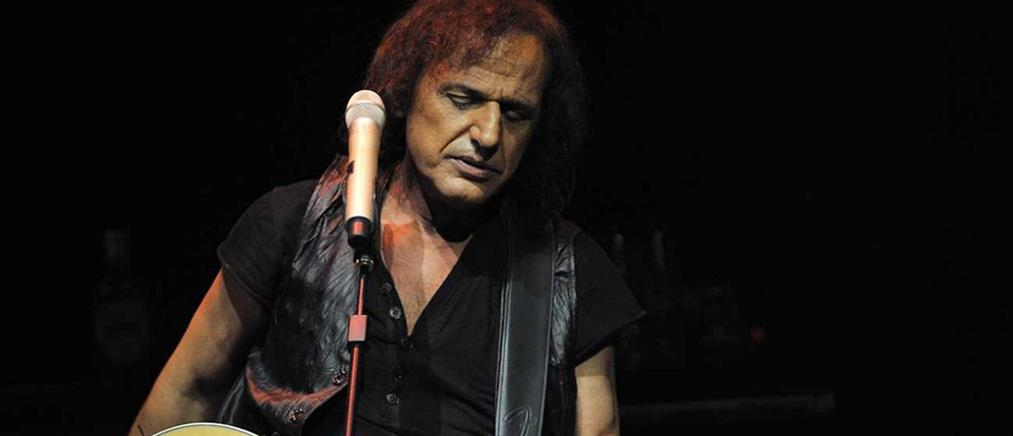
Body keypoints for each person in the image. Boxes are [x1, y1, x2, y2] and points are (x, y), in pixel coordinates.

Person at [129, 1, 643, 435]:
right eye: (463, 98)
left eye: (515, 113)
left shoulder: (569, 272)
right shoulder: (292, 221)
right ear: (403, 92)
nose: (488, 135)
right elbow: (187, 388)